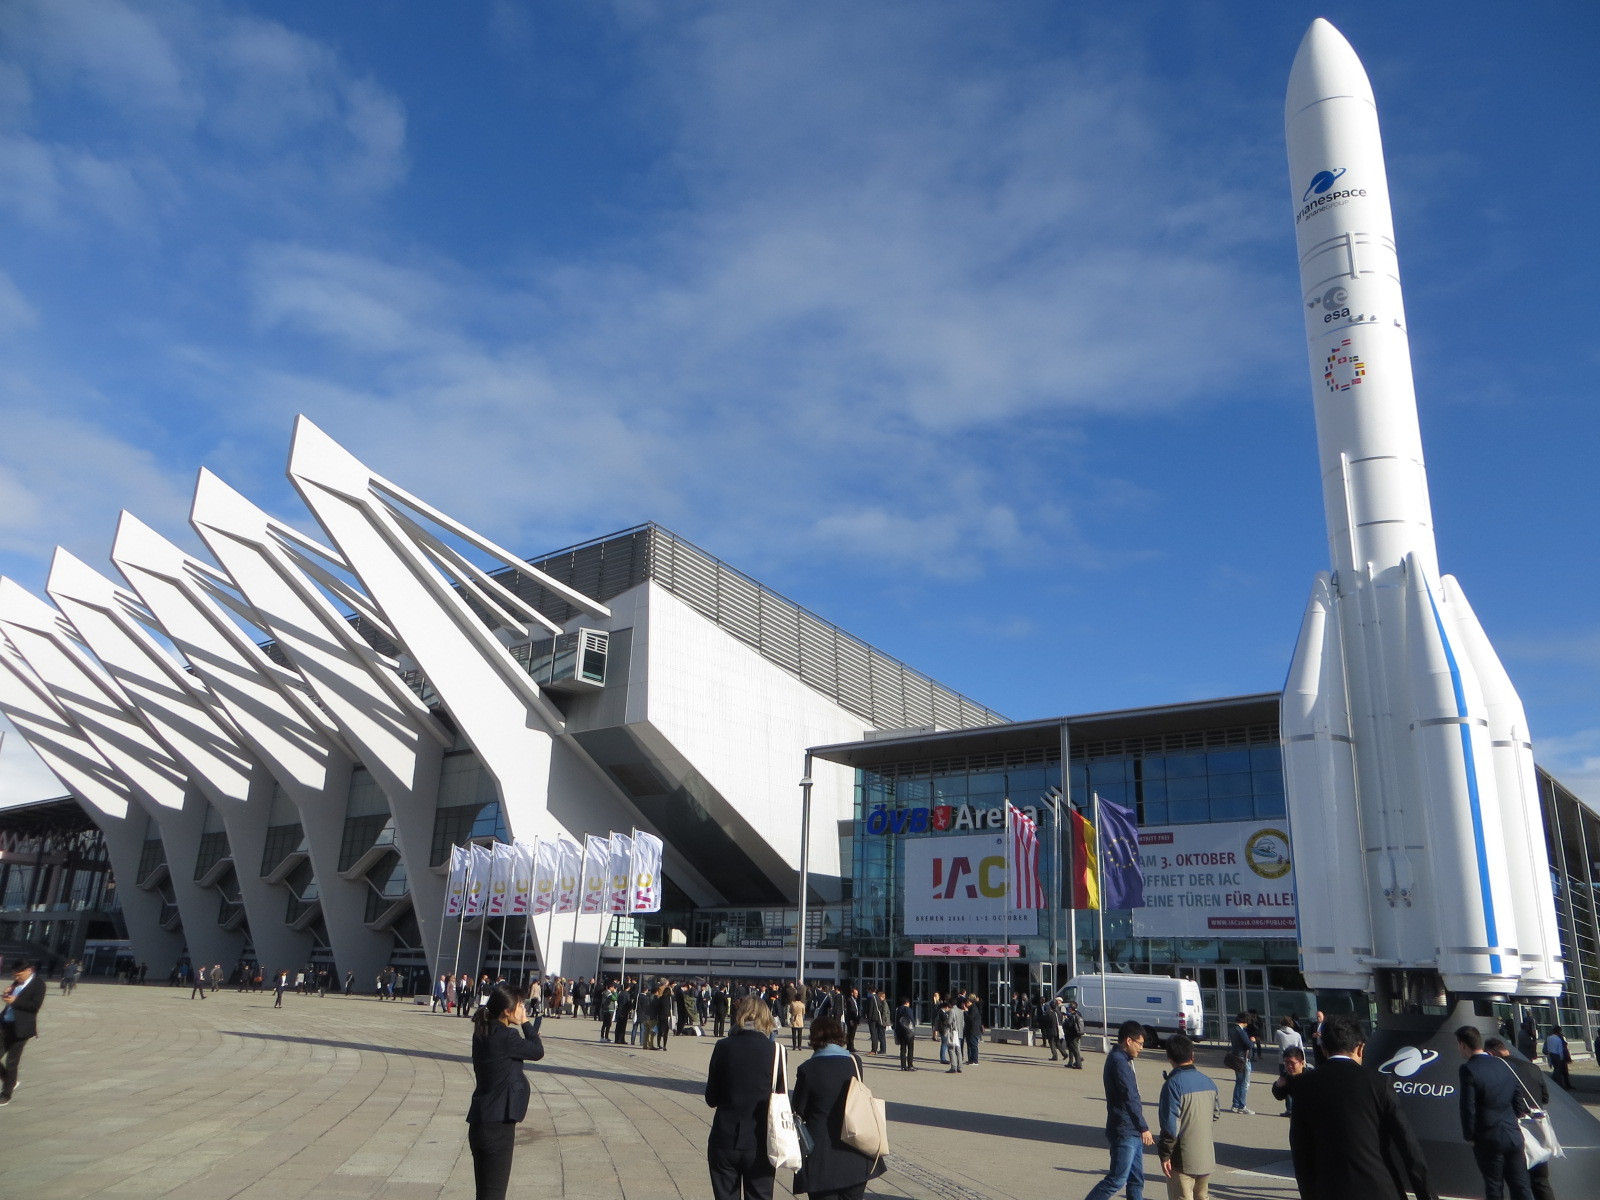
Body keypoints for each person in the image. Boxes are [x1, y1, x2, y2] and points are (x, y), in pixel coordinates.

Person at [1282, 1014, 1435, 1200]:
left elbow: (1301, 1151)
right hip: (1380, 1188)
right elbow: (1408, 1146)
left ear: (1323, 1050)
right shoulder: (1378, 1083)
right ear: (1361, 1048)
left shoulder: (1303, 1085)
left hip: (1329, 1190)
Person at [792, 1016, 887, 1200]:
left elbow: (798, 1109)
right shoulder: (854, 1062)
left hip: (822, 1156)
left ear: (814, 1038)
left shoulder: (807, 1069)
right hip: (855, 1150)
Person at [465, 985, 545, 1200]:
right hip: (498, 1124)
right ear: (507, 1011)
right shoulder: (507, 1037)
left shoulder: (482, 1032)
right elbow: (537, 1051)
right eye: (520, 1005)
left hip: (481, 1121)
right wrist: (527, 1022)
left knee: (484, 1193)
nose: (522, 1008)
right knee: (494, 1195)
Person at [705, 995, 781, 1200]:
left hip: (725, 1135)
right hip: (761, 1138)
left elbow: (711, 1098)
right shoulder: (776, 1052)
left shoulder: (723, 1046)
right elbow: (780, 1097)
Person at [1457, 1025, 1534, 1200]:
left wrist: (1469, 1135)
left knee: (1494, 1187)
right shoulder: (1505, 1064)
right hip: (1512, 1134)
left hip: (1488, 1137)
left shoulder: (1468, 1069)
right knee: (1521, 1185)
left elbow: (1468, 1107)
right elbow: (1518, 1100)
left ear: (1462, 1045)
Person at [1085, 1020, 1154, 1200]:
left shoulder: (1123, 1059)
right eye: (1139, 1043)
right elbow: (1129, 1096)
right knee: (1117, 1179)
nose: (1141, 1048)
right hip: (1125, 1129)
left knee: (1136, 1180)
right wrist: (1143, 1127)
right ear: (1128, 1041)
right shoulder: (1119, 1062)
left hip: (1131, 1129)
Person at [1486, 1038, 1555, 1200]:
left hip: (1512, 1130)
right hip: (1536, 1129)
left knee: (1517, 1182)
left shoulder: (1498, 1069)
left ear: (1490, 1053)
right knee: (1541, 1181)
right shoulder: (1532, 1067)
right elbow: (1545, 1097)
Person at [1157, 1033, 1217, 1200]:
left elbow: (1170, 1127)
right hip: (1206, 1156)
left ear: (1169, 1057)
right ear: (1192, 1055)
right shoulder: (1208, 1081)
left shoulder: (1172, 1085)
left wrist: (1165, 1155)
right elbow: (1215, 1114)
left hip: (1183, 1158)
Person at [0, 960, 45, 1106]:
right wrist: (6, 994)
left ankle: (6, 1094)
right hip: (5, 1024)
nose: (16, 978)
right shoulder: (17, 982)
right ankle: (10, 1081)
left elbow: (34, 1006)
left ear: (29, 971)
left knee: (11, 1062)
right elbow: (10, 998)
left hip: (21, 1029)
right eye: (14, 975)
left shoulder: (38, 985)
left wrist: (15, 1000)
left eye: (18, 975)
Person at [1227, 1011, 1254, 1114]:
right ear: (1245, 1021)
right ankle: (1242, 1106)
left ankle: (1235, 1104)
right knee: (1244, 1083)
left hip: (1235, 1057)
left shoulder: (1233, 1029)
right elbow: (1249, 1045)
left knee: (1238, 1081)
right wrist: (1252, 1040)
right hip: (1243, 1058)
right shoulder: (1241, 1031)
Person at [936, 1000, 963, 1073]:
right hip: (959, 1032)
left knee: (951, 1049)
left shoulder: (952, 1011)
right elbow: (963, 1022)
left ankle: (953, 1067)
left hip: (953, 1032)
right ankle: (960, 1066)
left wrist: (946, 1031)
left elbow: (949, 1022)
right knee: (958, 1050)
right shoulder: (960, 1011)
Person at [1543, 1024, 1572, 1090]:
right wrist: (1562, 1057)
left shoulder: (1549, 1038)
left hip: (1551, 1054)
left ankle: (1559, 1083)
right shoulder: (1558, 1039)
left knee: (1557, 1069)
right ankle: (1559, 1083)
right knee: (1559, 1070)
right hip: (1558, 1055)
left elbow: (1546, 1047)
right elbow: (1560, 1049)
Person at [893, 998, 917, 1071]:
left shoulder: (898, 1010)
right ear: (907, 1003)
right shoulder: (908, 1009)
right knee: (910, 1048)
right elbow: (912, 1019)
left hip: (900, 1031)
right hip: (908, 1031)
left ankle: (903, 1066)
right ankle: (910, 1065)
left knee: (902, 1049)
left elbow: (895, 1020)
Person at [1063, 1000, 1086, 1069]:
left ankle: (1078, 1063)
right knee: (1072, 1049)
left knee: (1075, 1050)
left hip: (1073, 1035)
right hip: (1078, 1034)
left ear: (1071, 1008)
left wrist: (1066, 1021)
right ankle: (1071, 1062)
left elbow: (1070, 1025)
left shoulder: (1071, 1016)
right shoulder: (1078, 1014)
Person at [867, 990, 890, 1056]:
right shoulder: (882, 1003)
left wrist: (882, 1022)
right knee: (880, 1035)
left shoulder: (884, 1003)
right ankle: (882, 1049)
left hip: (882, 1022)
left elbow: (884, 1013)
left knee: (881, 1035)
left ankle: (883, 1049)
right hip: (881, 1021)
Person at [962, 996, 982, 1065]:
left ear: (971, 1002)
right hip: (969, 1030)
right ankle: (970, 1060)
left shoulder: (973, 1008)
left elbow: (970, 1018)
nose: (965, 1004)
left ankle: (975, 1060)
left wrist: (965, 1012)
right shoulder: (970, 1008)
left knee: (974, 1046)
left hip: (974, 1030)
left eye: (967, 1002)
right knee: (969, 1046)